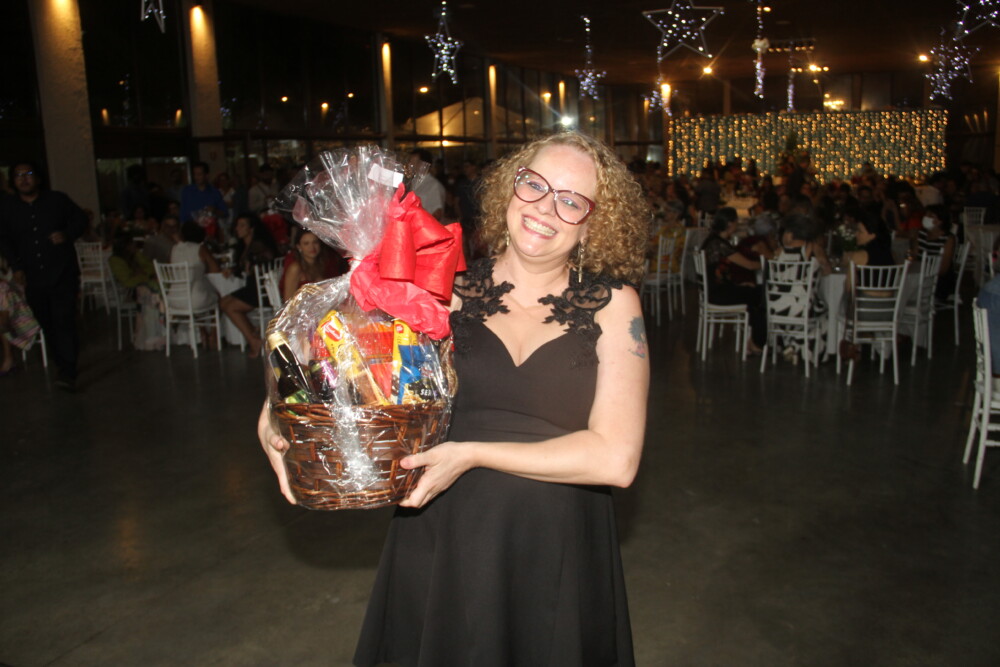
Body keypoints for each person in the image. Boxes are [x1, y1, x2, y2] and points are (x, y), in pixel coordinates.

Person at [259, 132, 651, 666]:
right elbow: (336, 373)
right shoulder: (440, 289)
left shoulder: (614, 305)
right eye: (534, 185)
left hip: (555, 546)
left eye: (571, 199)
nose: (545, 208)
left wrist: (472, 454)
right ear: (510, 188)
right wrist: (273, 419)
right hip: (444, 539)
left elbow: (616, 459)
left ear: (593, 222)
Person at [0, 161, 87, 391]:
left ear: (38, 178)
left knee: (64, 320)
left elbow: (81, 219)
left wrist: (67, 234)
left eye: (28, 174)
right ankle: (61, 363)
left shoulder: (57, 200)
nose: (24, 179)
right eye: (18, 175)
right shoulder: (8, 207)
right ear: (13, 181)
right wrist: (17, 266)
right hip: (33, 275)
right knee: (46, 321)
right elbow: (5, 240)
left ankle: (68, 371)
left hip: (62, 272)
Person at [700, 206, 766, 354]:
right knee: (761, 294)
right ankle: (757, 342)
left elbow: (720, 274)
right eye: (736, 221)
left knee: (753, 291)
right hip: (718, 294)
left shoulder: (712, 240)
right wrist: (768, 262)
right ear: (730, 224)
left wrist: (739, 284)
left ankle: (754, 340)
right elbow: (749, 265)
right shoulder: (719, 244)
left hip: (714, 291)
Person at [220, 213, 275, 357]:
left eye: (242, 225)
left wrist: (253, 265)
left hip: (262, 289)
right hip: (252, 287)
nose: (238, 228)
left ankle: (253, 339)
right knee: (223, 302)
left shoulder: (258, 245)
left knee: (230, 307)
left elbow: (266, 261)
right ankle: (252, 332)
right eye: (237, 225)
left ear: (251, 228)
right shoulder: (244, 246)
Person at [108, 233, 164, 351]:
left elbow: (151, 268)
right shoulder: (115, 260)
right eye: (131, 244)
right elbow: (127, 282)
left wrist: (142, 273)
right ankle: (151, 335)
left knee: (153, 293)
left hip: (142, 287)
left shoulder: (135, 256)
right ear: (125, 246)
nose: (135, 246)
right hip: (131, 291)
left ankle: (157, 333)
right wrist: (143, 276)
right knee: (152, 294)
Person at [280, 226, 346, 302]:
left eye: (315, 242)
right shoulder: (295, 268)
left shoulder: (320, 264)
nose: (312, 247)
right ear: (299, 247)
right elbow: (288, 300)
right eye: (306, 244)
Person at [170, 221, 221, 312]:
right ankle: (213, 321)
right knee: (219, 295)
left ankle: (197, 320)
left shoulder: (174, 249)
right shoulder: (200, 248)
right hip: (195, 299)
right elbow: (215, 270)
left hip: (174, 299)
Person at [0, 276, 41, 376]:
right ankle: (9, 359)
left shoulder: (4, 288)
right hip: (9, 318)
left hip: (21, 319)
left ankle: (9, 359)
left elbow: (6, 313)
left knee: (2, 324)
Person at [179, 161, 228, 229]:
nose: (196, 177)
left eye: (199, 174)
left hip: (209, 230)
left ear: (206, 175)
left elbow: (225, 213)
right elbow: (183, 213)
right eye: (195, 174)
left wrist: (214, 210)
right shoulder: (187, 191)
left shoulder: (214, 192)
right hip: (191, 229)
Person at [408, 149, 447, 221]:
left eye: (414, 163)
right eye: (410, 162)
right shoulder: (412, 182)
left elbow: (437, 213)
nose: (410, 166)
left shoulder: (434, 185)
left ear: (424, 164)